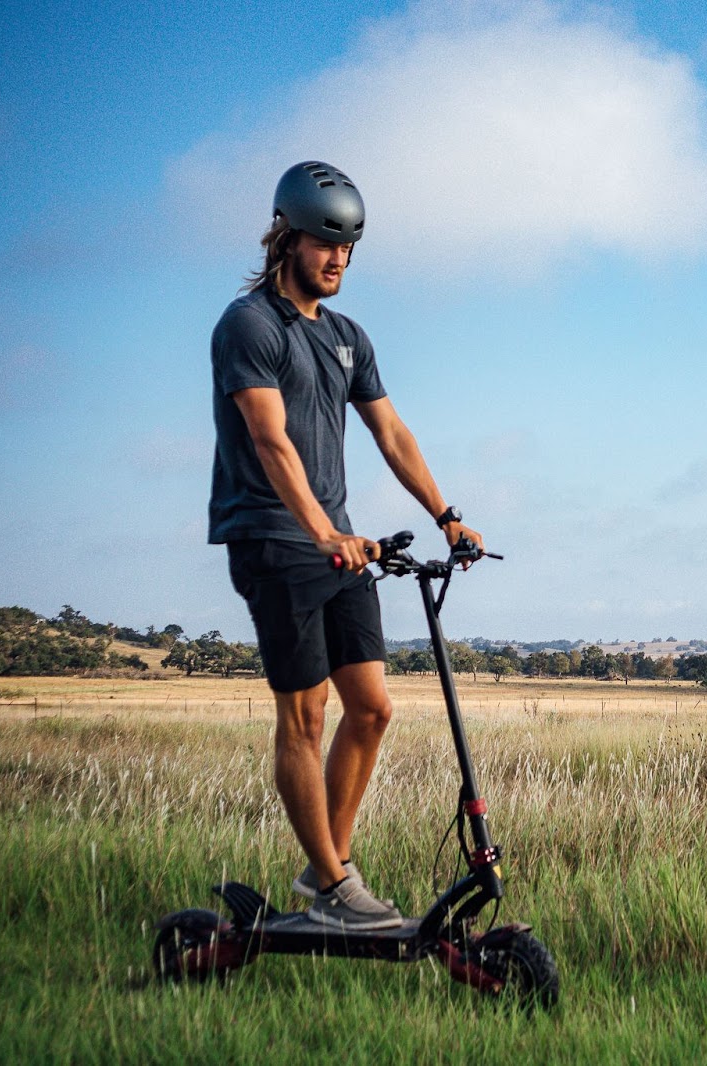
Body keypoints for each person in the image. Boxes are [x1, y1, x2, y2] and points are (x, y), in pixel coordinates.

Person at [208, 160, 484, 930]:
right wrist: (322, 531)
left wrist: (445, 514)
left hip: (339, 546)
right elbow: (270, 441)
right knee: (306, 715)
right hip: (274, 539)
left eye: (350, 249)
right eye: (326, 245)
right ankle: (334, 888)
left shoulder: (348, 338)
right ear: (285, 237)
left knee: (371, 709)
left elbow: (390, 431)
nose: (339, 262)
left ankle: (326, 871)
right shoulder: (250, 326)